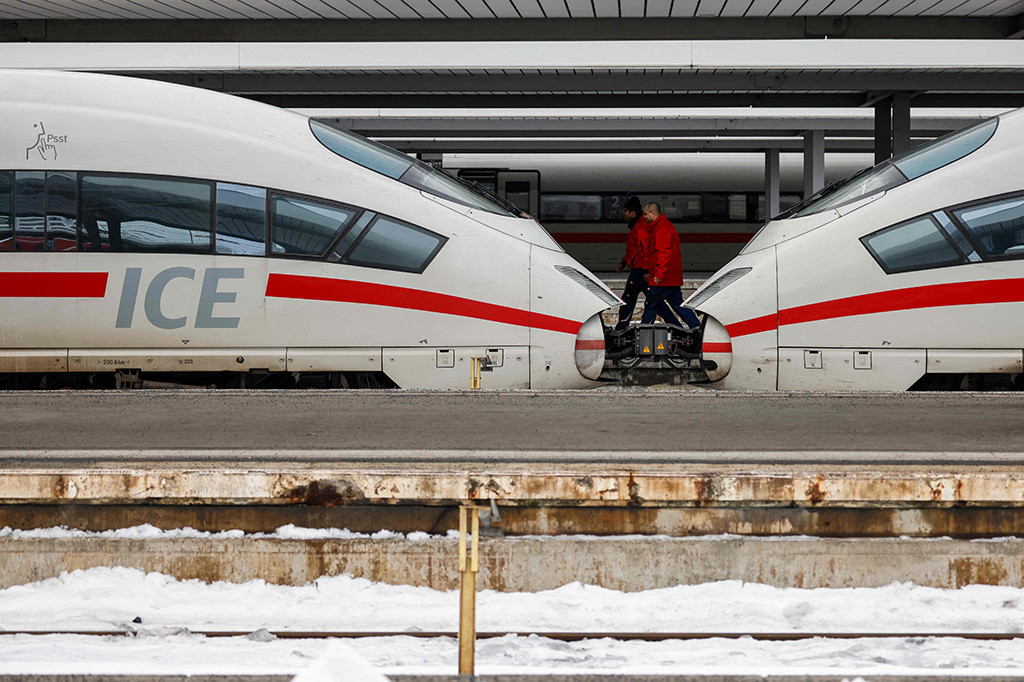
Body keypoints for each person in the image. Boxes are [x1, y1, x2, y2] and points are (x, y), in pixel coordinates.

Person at [640, 202, 701, 331]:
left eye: (645, 214)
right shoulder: (664, 226)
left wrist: (659, 274)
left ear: (653, 213)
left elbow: (663, 253)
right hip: (670, 277)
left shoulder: (661, 229)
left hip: (662, 278)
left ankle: (644, 332)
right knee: (678, 304)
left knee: (651, 305)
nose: (644, 217)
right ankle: (696, 328)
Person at [614, 195, 649, 331]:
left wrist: (646, 271)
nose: (624, 213)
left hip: (640, 271)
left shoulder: (640, 228)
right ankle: (646, 326)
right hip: (640, 270)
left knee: (628, 299)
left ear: (633, 213)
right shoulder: (637, 227)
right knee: (655, 301)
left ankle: (622, 326)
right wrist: (623, 262)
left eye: (625, 211)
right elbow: (633, 250)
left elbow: (644, 251)